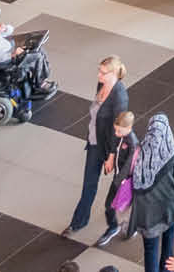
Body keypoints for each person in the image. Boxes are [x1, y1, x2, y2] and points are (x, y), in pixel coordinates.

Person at [68, 57, 132, 236]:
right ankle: (77, 222)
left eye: (103, 73)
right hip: (95, 142)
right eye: (99, 71)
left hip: (112, 147)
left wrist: (111, 156)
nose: (99, 75)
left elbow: (117, 130)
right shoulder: (101, 85)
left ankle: (120, 222)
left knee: (117, 188)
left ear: (113, 74)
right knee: (89, 184)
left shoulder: (119, 97)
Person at [130, 113, 174, 272]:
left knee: (150, 250)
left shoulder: (139, 150)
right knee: (168, 242)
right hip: (168, 209)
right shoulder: (173, 151)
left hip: (146, 214)